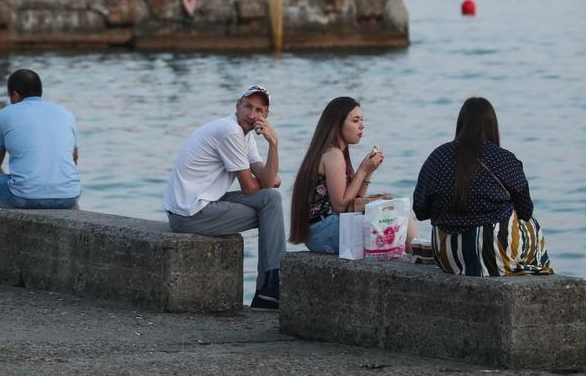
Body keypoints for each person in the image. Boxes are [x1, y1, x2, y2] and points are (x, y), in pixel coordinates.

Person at [163, 85, 283, 311]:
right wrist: (267, 180)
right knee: (269, 209)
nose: (252, 114)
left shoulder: (245, 136)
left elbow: (266, 182)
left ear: (266, 115)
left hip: (203, 203)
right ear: (237, 106)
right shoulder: (230, 131)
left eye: (259, 110)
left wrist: (273, 143)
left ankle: (269, 288)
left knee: (271, 199)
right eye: (247, 107)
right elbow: (250, 187)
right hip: (189, 213)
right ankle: (270, 288)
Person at [413, 97, 553, 276]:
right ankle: (539, 276)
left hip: (449, 258)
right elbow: (525, 211)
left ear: (460, 124)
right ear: (492, 126)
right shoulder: (504, 159)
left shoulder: (437, 157)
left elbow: (420, 211)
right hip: (495, 256)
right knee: (532, 224)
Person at [0, 69, 81, 276]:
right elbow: (72, 161)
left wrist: (9, 178)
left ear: (14, 95)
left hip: (25, 195)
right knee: (64, 189)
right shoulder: (66, 114)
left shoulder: (4, 115)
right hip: (69, 196)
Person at [289, 97, 418, 252]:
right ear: (337, 125)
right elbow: (340, 206)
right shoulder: (333, 155)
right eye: (356, 121)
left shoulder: (332, 152)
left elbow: (353, 202)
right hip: (324, 231)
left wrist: (368, 172)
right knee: (399, 217)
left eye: (362, 120)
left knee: (395, 214)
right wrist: (362, 170)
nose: (362, 125)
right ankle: (420, 258)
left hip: (322, 231)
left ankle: (415, 256)